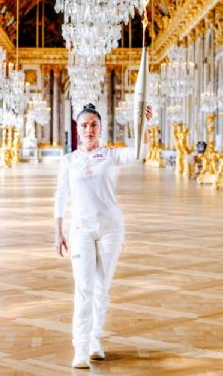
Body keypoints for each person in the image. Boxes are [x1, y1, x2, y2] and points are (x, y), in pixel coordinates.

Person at [54, 103, 152, 368]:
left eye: (93, 125)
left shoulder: (110, 155)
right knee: (83, 288)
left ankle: (96, 340)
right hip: (81, 230)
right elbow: (61, 195)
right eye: (84, 125)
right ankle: (81, 347)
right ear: (77, 129)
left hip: (111, 228)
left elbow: (140, 153)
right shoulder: (69, 161)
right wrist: (58, 230)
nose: (89, 129)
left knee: (101, 287)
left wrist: (145, 126)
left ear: (100, 128)